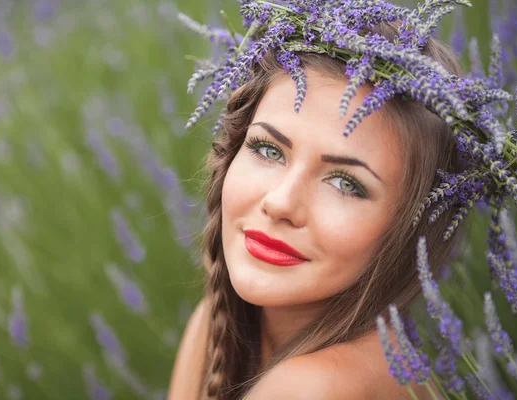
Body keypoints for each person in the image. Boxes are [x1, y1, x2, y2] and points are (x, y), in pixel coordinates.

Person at [169, 16, 469, 400]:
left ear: (413, 225)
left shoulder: (314, 388)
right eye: (268, 149)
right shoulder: (218, 325)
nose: (281, 203)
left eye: (346, 183)